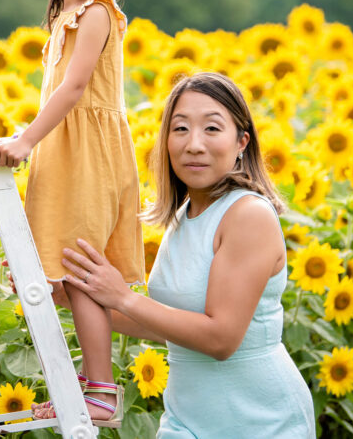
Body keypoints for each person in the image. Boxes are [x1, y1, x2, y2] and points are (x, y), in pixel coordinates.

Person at [61, 72, 315, 438]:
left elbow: (220, 339)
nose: (194, 144)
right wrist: (70, 294)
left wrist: (122, 297)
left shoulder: (248, 215)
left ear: (242, 141)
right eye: (180, 129)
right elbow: (170, 326)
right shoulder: (184, 216)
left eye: (212, 129)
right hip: (187, 420)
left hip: (259, 420)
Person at [0, 0, 144, 428]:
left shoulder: (99, 11)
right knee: (63, 270)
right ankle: (83, 381)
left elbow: (76, 88)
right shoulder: (68, 13)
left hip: (85, 157)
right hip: (66, 152)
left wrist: (26, 140)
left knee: (81, 272)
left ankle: (101, 388)